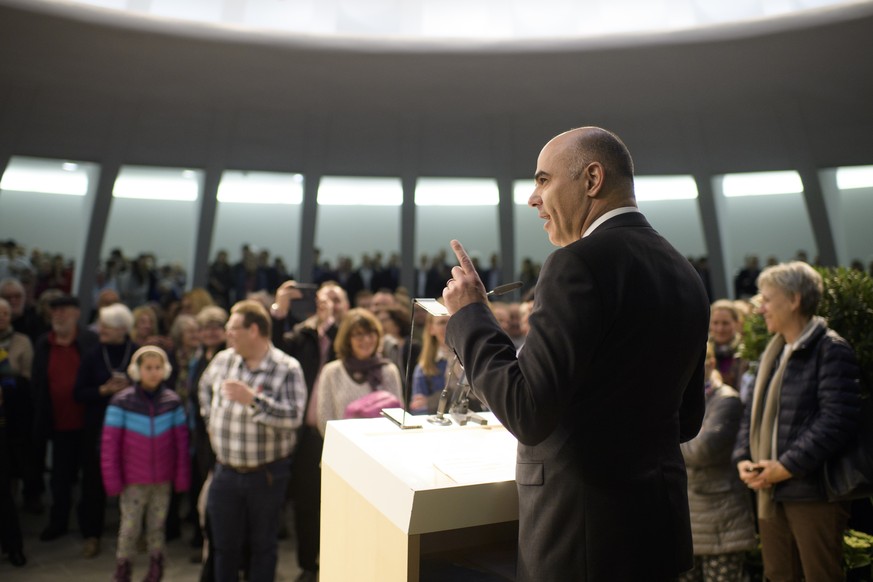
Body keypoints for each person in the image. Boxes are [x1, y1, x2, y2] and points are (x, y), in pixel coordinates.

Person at [441, 126, 710, 581]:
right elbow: (686, 419)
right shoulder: (683, 270)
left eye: (543, 180)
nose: (532, 198)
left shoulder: (576, 263)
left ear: (591, 179)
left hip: (582, 540)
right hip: (658, 533)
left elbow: (527, 413)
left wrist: (470, 316)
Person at [733, 261, 861, 582]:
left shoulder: (830, 349)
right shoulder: (773, 352)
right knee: (778, 574)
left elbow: (837, 420)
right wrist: (743, 460)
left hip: (811, 492)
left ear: (794, 300)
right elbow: (751, 413)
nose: (760, 308)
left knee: (820, 575)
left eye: (767, 299)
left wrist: (786, 466)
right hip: (770, 487)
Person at [198, 299, 306, 582]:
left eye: (233, 328)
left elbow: (294, 417)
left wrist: (253, 401)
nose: (227, 333)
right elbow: (203, 390)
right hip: (225, 473)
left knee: (262, 547)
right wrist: (212, 422)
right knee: (224, 547)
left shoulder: (287, 368)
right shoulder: (223, 360)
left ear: (254, 330)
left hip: (267, 476)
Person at [101, 345, 190, 582]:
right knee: (129, 528)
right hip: (133, 481)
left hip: (162, 479)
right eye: (148, 368)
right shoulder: (122, 401)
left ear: (165, 370)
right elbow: (109, 445)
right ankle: (123, 567)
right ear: (137, 370)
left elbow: (181, 444)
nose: (153, 372)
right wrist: (112, 479)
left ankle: (156, 565)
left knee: (156, 527)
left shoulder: (172, 402)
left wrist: (181, 476)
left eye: (158, 367)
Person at [679, 343, 757, 582]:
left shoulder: (726, 400)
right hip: (689, 520)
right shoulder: (678, 399)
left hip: (721, 519)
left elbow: (702, 450)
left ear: (710, 363)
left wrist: (663, 443)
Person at [74, 302, 139, 558]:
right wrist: (103, 390)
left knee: (134, 481)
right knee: (93, 482)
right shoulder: (92, 354)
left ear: (122, 328)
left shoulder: (136, 352)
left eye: (107, 326)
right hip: (98, 427)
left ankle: (134, 533)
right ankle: (92, 534)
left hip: (133, 429)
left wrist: (131, 388)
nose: (101, 330)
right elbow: (78, 392)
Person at [32, 295, 99, 541]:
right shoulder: (43, 343)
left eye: (65, 310)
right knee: (59, 479)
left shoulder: (90, 341)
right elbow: (38, 382)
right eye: (55, 311)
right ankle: (58, 522)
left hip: (88, 424)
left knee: (90, 479)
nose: (59, 315)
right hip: (58, 424)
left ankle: (89, 526)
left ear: (77, 314)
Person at [314, 308, 403, 436]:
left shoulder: (389, 371)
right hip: (343, 447)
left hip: (381, 447)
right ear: (347, 339)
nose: (366, 340)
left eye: (371, 334)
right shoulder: (331, 372)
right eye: (359, 334)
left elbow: (397, 417)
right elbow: (324, 421)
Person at [708, 299, 747, 392]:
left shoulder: (746, 352)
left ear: (737, 324)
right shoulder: (704, 352)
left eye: (725, 323)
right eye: (715, 323)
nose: (720, 329)